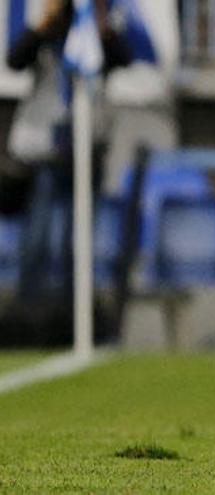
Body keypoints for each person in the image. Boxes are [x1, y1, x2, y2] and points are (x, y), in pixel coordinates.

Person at [2, 0, 131, 345]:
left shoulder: (97, 26)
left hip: (87, 147)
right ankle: (27, 323)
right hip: (45, 148)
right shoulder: (48, 27)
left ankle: (72, 322)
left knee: (76, 242)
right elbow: (15, 59)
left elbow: (124, 57)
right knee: (37, 239)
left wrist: (98, 26)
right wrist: (46, 24)